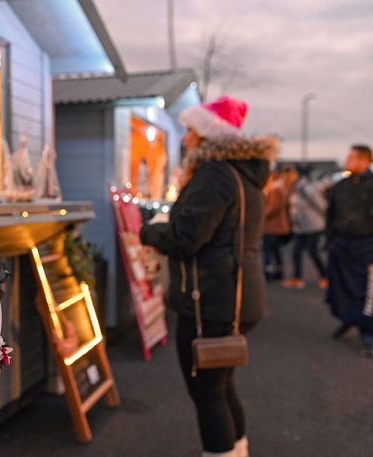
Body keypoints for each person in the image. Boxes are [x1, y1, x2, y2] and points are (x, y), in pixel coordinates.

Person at [140, 96, 275, 457]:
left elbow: (187, 236)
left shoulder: (214, 174)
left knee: (207, 391)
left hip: (212, 300)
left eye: (189, 130)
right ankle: (237, 449)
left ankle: (223, 451)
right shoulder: (244, 174)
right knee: (222, 385)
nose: (184, 139)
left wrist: (149, 231)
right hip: (237, 295)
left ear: (207, 135)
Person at [326, 144, 373, 357]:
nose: (347, 160)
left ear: (364, 160)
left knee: (364, 290)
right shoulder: (341, 185)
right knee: (341, 287)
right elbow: (331, 214)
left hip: (366, 246)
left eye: (352, 157)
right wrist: (330, 241)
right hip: (341, 244)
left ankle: (367, 330)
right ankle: (348, 319)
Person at [281, 170, 328, 289]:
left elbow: (322, 205)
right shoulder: (294, 190)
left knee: (313, 252)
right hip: (300, 227)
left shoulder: (306, 188)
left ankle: (325, 276)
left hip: (313, 226)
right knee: (296, 252)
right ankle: (297, 278)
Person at [262, 168, 291, 280]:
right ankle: (279, 270)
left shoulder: (274, 189)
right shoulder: (281, 188)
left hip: (272, 226)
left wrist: (262, 215)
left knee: (268, 250)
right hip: (279, 225)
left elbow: (273, 207)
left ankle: (269, 271)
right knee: (276, 250)